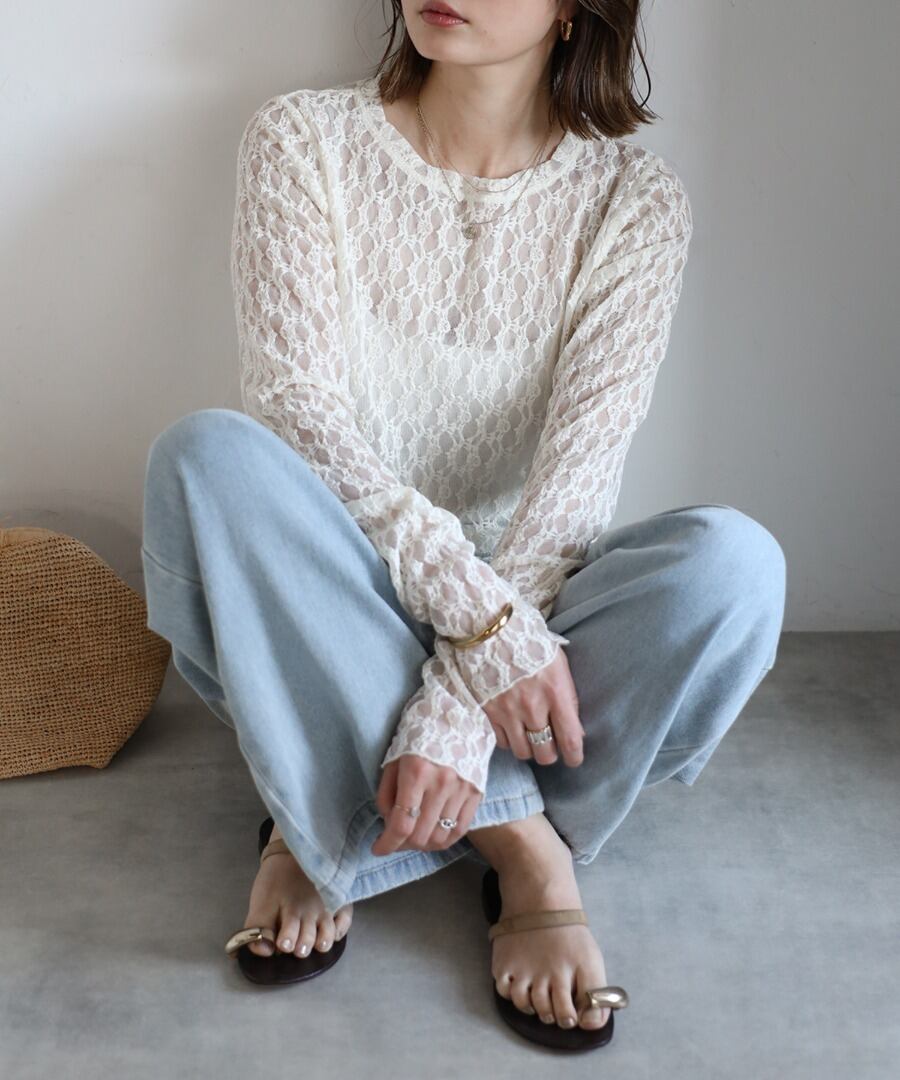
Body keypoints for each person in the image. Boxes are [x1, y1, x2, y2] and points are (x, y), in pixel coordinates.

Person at [141, 0, 786, 1048]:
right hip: (335, 595)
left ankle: (323, 809)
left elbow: (575, 488)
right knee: (207, 455)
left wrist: (463, 692)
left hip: (537, 612)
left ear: (576, 7)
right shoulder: (301, 139)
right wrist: (471, 626)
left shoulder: (635, 200)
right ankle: (523, 845)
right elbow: (297, 411)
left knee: (738, 566)